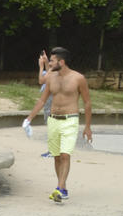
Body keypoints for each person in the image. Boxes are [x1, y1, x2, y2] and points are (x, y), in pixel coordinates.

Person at [22, 47, 92, 203]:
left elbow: (87, 103)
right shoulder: (51, 77)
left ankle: (59, 188)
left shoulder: (78, 78)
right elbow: (42, 100)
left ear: (62, 62)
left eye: (52, 61)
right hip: (53, 120)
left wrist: (87, 127)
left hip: (70, 119)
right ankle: (63, 187)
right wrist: (29, 119)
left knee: (65, 155)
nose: (49, 63)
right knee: (57, 157)